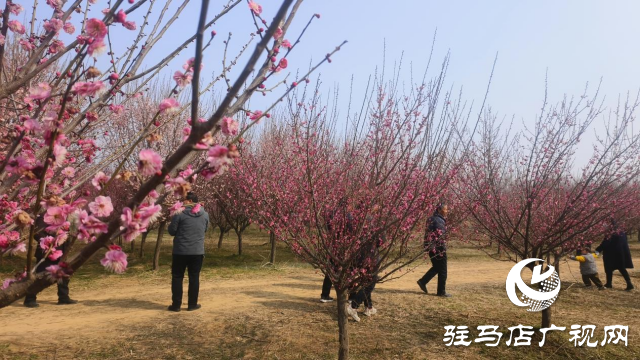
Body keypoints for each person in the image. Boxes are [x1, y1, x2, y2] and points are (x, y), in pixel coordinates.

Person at [167, 192, 209, 312]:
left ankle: (176, 305)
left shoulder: (179, 214)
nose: (182, 201)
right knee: (194, 277)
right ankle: (192, 304)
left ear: (190, 201)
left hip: (180, 251)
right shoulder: (205, 214)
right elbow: (205, 229)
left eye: (184, 199)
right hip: (197, 252)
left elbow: (172, 231)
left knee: (177, 277)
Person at [24, 216, 78, 307]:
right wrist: (49, 242)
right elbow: (36, 233)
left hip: (61, 251)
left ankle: (63, 297)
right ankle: (29, 298)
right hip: (47, 252)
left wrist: (67, 243)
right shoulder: (44, 216)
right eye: (60, 201)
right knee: (39, 276)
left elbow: (66, 232)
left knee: (64, 275)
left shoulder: (63, 216)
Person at [320, 198, 354, 303]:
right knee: (349, 270)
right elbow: (352, 230)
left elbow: (327, 227)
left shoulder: (331, 214)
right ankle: (351, 297)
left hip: (333, 244)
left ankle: (325, 295)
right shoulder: (348, 216)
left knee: (331, 270)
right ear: (347, 205)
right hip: (345, 245)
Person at [417, 203, 451, 297]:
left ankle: (423, 281)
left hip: (430, 246)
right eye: (445, 209)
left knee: (437, 267)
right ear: (439, 210)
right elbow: (440, 236)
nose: (447, 211)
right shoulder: (439, 221)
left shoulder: (430, 218)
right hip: (438, 248)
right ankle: (441, 292)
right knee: (443, 269)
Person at [596, 219, 634, 291]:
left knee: (609, 268)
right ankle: (629, 283)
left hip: (611, 254)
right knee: (622, 268)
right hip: (621, 253)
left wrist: (598, 249)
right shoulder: (621, 232)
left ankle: (609, 283)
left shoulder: (611, 233)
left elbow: (606, 242)